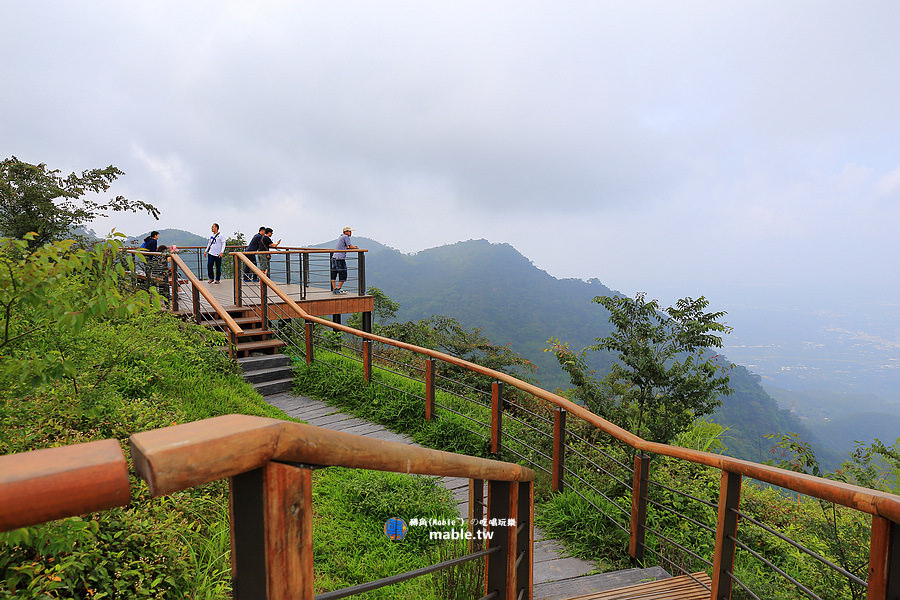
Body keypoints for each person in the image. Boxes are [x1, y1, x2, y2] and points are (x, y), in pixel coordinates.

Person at [330, 226, 358, 294]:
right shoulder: (345, 237)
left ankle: (334, 289)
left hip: (334, 257)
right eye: (349, 231)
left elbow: (345, 246)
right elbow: (350, 246)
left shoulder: (341, 236)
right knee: (343, 273)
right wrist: (354, 247)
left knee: (334, 273)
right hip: (340, 258)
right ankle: (338, 289)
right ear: (346, 232)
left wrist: (351, 247)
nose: (351, 233)